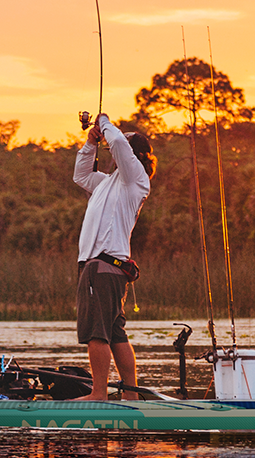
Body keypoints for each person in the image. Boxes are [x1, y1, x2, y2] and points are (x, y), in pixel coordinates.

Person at [72, 113, 155, 400]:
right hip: (105, 267)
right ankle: (130, 396)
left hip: (103, 267)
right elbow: (80, 175)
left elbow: (119, 141)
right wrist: (90, 142)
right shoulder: (107, 183)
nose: (113, 153)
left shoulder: (136, 179)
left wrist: (103, 120)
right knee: (116, 333)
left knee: (98, 333)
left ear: (135, 155)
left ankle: (98, 393)